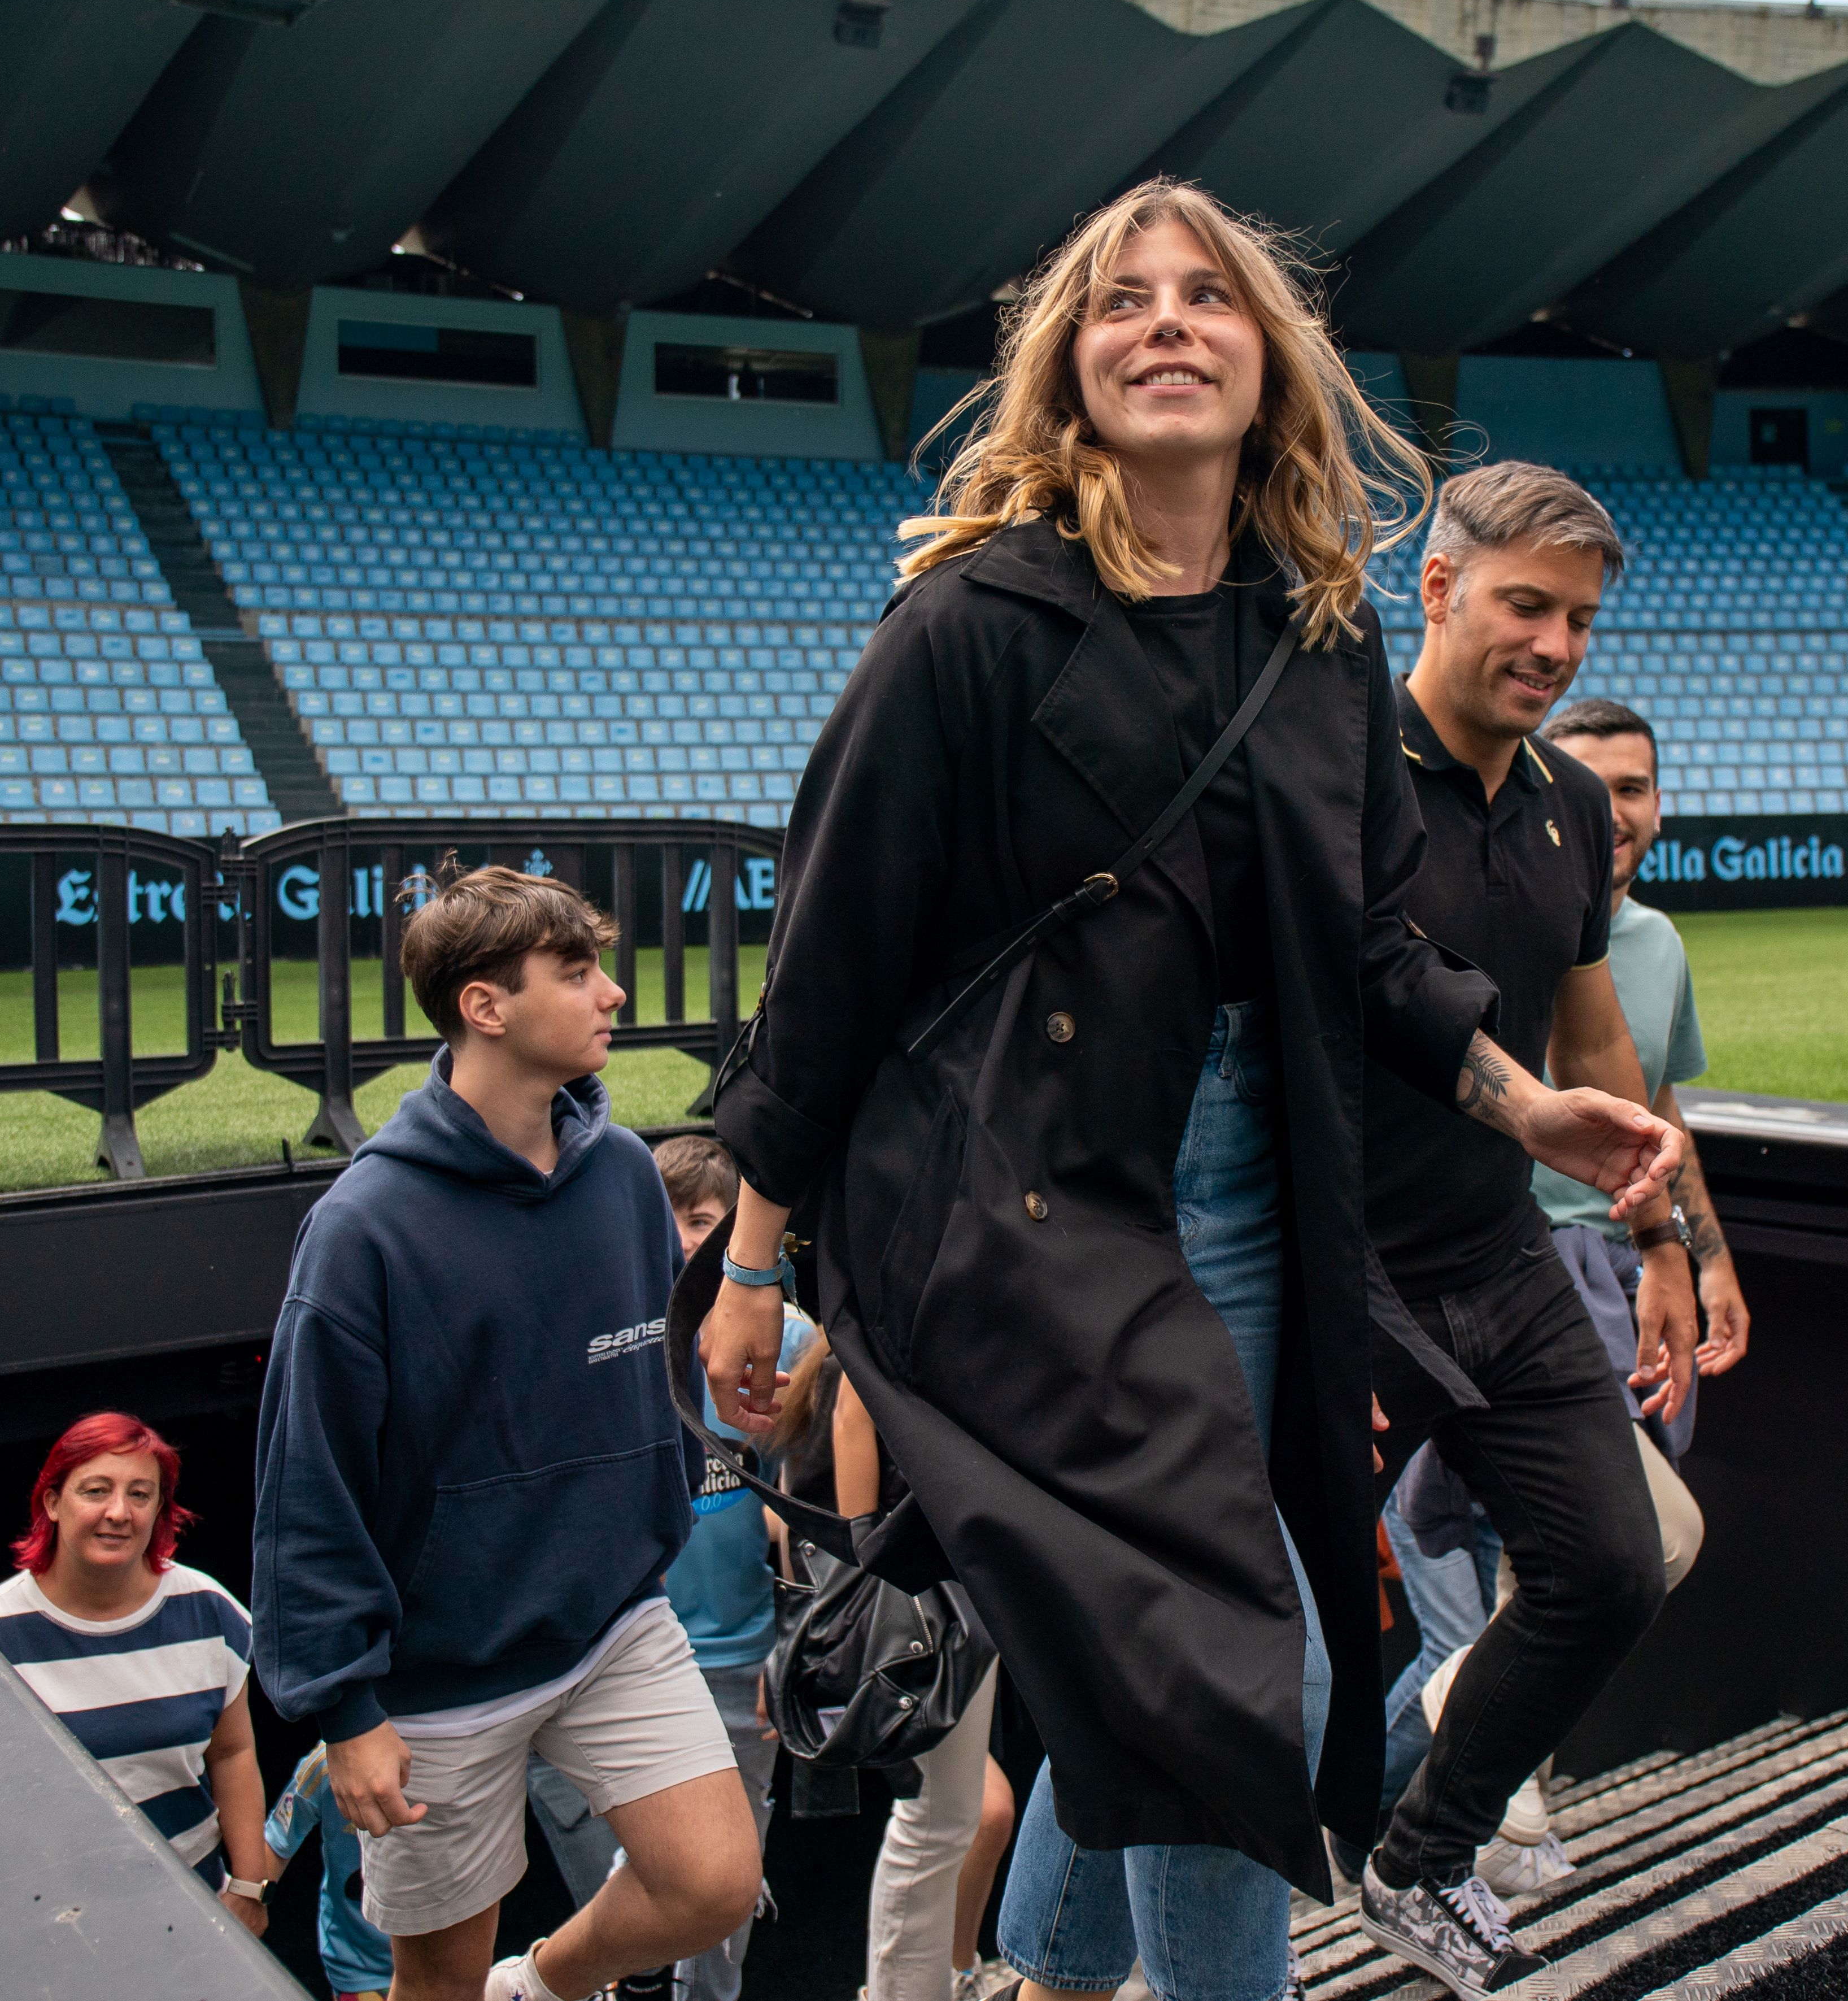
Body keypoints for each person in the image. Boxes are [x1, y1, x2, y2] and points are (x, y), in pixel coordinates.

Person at [694, 180, 1678, 2001]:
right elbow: (820, 976)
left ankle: (1052, 1974)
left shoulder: (1318, 635)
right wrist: (755, 1268)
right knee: (1252, 1679)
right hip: (1023, 1210)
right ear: (1071, 368)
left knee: (1173, 1659)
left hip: (1251, 1196)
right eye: (1121, 299)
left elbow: (1374, 945)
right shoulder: (966, 624)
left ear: (1266, 363)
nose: (1164, 320)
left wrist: (1518, 1103)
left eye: (1206, 296)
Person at [252, 864, 760, 2001]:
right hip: (437, 1676)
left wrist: (662, 1503)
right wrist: (346, 1708)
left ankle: (536, 1988)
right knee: (433, 1980)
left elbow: (651, 1369)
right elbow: (306, 1480)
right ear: (485, 1005)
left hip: (613, 1624)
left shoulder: (627, 1172)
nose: (614, 994)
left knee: (716, 1882)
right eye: (577, 972)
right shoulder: (363, 1225)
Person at [1348, 462, 1699, 1997]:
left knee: (1612, 1564)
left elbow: (1597, 1040)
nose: (1554, 644)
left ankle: (1420, 1856)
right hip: (1333, 1271)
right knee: (1246, 1644)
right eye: (1522, 605)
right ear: (1435, 591)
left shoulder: (1565, 801)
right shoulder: (1336, 761)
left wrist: (1662, 1237)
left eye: (1577, 618)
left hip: (1498, 1256)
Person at [525, 1133, 799, 2001]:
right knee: (633, 1899)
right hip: (622, 1667)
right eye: (664, 1216)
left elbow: (811, 1506)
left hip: (740, 1666)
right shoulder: (614, 1342)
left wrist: (789, 1651)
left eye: (702, 1219)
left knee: (727, 1894)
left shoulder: (784, 1337)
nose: (682, 1238)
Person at [1535, 694, 1752, 1458]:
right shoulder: (1504, 923)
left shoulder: (1660, 941)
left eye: (1630, 789)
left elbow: (1658, 1105)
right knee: (1638, 1534)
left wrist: (1710, 1259)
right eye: (1587, 788)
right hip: (1531, 1268)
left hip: (1640, 1266)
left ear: (1659, 805)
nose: (1611, 811)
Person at [0, 1412, 272, 1932]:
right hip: (60, 1921)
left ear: (159, 1510)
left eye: (140, 1494)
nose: (118, 1512)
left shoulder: (206, 1609)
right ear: (52, 1502)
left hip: (198, 1908)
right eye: (96, 1490)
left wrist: (248, 1890)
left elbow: (233, 1753)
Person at [830, 1377, 1024, 2001]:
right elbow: (853, 1409)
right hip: (932, 1569)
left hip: (978, 1554)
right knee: (942, 1813)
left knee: (959, 1812)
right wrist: (870, 1573)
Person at [261, 1742, 397, 2001]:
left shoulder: (458, 1758)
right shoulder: (328, 1761)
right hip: (361, 1964)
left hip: (444, 1955)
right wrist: (248, 1904)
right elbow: (278, 1840)